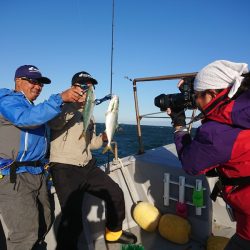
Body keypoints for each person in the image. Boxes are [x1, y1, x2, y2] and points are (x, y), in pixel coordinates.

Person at [49, 71, 137, 250]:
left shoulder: (91, 116)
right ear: (73, 87)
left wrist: (104, 137)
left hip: (87, 166)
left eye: (90, 86)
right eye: (82, 85)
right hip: (64, 169)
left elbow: (91, 144)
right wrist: (71, 103)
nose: (87, 89)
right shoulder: (60, 108)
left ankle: (113, 233)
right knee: (72, 220)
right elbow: (54, 124)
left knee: (115, 194)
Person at [167, 60, 250, 250]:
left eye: (197, 96)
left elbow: (191, 163)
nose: (195, 102)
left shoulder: (216, 132)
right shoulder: (243, 107)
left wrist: (179, 126)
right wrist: (197, 83)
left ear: (212, 93)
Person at [0, 65, 83, 250]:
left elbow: (44, 122)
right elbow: (25, 119)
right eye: (33, 82)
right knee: (24, 234)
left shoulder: (33, 108)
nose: (38, 87)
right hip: (14, 177)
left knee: (46, 219)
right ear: (18, 81)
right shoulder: (7, 101)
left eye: (40, 84)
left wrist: (70, 106)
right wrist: (60, 98)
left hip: (38, 174)